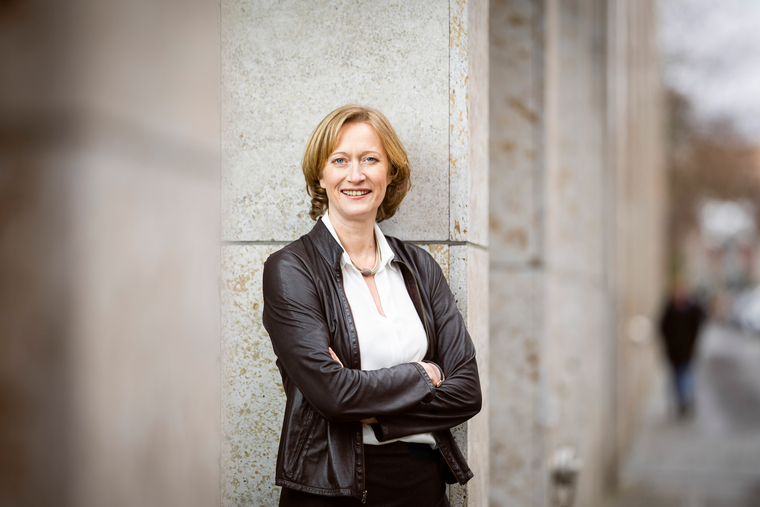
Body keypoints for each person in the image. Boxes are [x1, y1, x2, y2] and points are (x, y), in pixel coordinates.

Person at [262, 105, 482, 506]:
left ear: (390, 173)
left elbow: (467, 392)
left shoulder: (419, 266)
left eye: (370, 159)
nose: (356, 175)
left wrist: (367, 405)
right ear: (320, 174)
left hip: (424, 486)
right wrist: (425, 373)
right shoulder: (291, 269)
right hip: (331, 490)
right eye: (340, 160)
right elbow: (332, 395)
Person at [658, 280, 706, 418]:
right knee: (678, 377)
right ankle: (683, 400)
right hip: (674, 352)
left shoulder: (692, 309)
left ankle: (686, 400)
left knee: (685, 375)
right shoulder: (670, 309)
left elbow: (701, 319)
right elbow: (662, 328)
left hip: (686, 351)